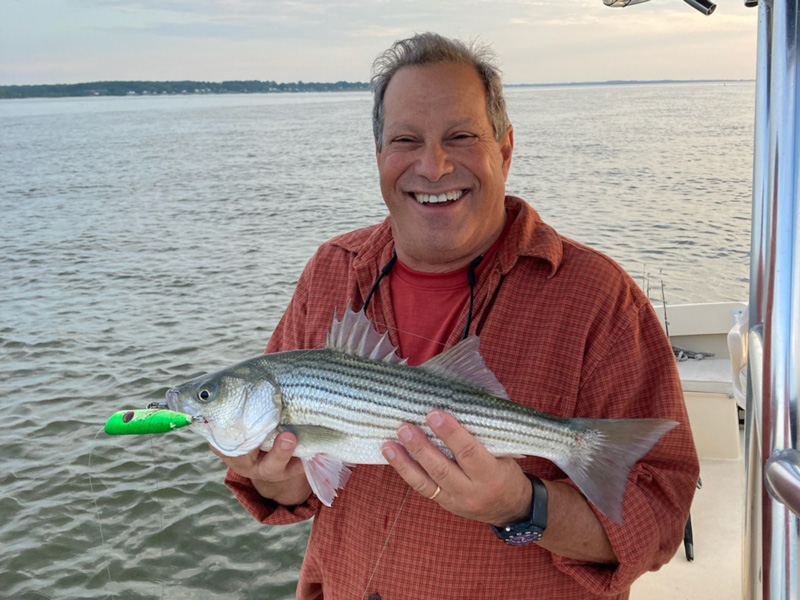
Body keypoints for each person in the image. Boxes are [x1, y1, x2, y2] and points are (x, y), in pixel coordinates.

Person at [213, 32, 700, 599]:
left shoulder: (599, 298)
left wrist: (523, 505)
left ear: (506, 149)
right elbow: (287, 490)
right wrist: (274, 473)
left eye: (461, 136)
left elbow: (659, 520)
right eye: (405, 139)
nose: (433, 165)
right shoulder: (331, 271)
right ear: (379, 157)